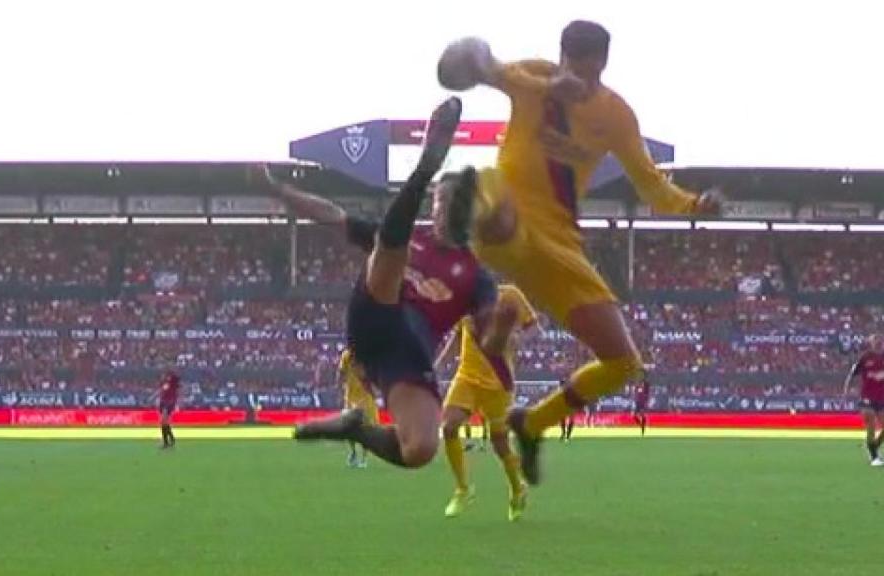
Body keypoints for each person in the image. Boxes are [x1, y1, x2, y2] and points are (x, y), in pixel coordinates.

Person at [437, 21, 723, 483]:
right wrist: (544, 85)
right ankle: (462, 209)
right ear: (562, 57)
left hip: (560, 243)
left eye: (590, 75)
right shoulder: (534, 76)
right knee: (496, 203)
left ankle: (532, 424)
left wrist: (693, 205)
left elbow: (650, 184)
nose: (580, 82)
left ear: (604, 65)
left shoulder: (615, 115)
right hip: (511, 218)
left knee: (623, 362)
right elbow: (458, 66)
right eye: (573, 70)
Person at [266, 98, 504, 469]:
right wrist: (280, 191)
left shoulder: (477, 276)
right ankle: (425, 169)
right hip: (375, 315)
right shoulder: (414, 241)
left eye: (452, 204)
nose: (442, 210)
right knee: (392, 247)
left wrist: (498, 330)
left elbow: (490, 333)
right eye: (438, 201)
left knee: (420, 449)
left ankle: (354, 429)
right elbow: (333, 216)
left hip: (406, 355)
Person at [436, 284, 538, 521]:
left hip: (498, 382)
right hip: (467, 377)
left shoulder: (510, 295)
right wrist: (438, 365)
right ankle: (463, 489)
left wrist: (516, 340)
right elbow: (458, 335)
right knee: (449, 427)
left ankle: (517, 489)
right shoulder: (464, 295)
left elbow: (533, 327)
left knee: (500, 443)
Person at [843, 335, 884, 466]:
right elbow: (852, 374)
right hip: (867, 397)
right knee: (871, 425)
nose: (878, 343)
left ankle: (874, 446)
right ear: (871, 343)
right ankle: (874, 457)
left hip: (881, 398)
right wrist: (846, 390)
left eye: (880, 341)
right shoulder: (865, 358)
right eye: (875, 341)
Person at [338, 348, 378, 468]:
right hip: (350, 397)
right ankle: (353, 452)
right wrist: (339, 386)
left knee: (367, 428)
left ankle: (364, 458)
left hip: (366, 397)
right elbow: (341, 372)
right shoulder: (347, 355)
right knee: (348, 426)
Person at [158, 371, 180, 449]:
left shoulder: (171, 386)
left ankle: (166, 442)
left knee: (163, 422)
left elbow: (168, 394)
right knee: (165, 422)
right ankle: (170, 439)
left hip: (167, 404)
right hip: (165, 403)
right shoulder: (169, 385)